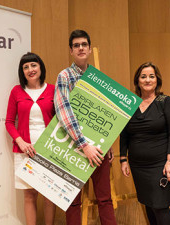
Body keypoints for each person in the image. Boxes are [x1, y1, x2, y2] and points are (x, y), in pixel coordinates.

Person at [54, 29, 117, 225]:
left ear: (89, 49)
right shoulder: (64, 76)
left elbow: (103, 113)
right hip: (73, 146)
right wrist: (83, 144)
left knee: (105, 199)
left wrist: (109, 144)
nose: (80, 48)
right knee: (73, 201)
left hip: (98, 148)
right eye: (76, 45)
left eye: (84, 45)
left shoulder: (97, 77)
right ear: (71, 51)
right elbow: (63, 111)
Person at [120, 62, 170, 225]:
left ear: (157, 80)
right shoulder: (130, 104)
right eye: (143, 76)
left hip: (161, 164)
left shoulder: (165, 101)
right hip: (138, 165)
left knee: (160, 206)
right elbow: (124, 132)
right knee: (148, 203)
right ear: (137, 80)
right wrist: (123, 159)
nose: (147, 80)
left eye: (151, 76)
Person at [5, 52, 56, 225]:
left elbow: (60, 119)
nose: (30, 70)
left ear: (40, 67)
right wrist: (20, 141)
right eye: (25, 67)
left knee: (50, 194)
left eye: (33, 65)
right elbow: (9, 122)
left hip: (50, 148)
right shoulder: (16, 92)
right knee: (29, 194)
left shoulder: (52, 90)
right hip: (25, 150)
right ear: (22, 72)